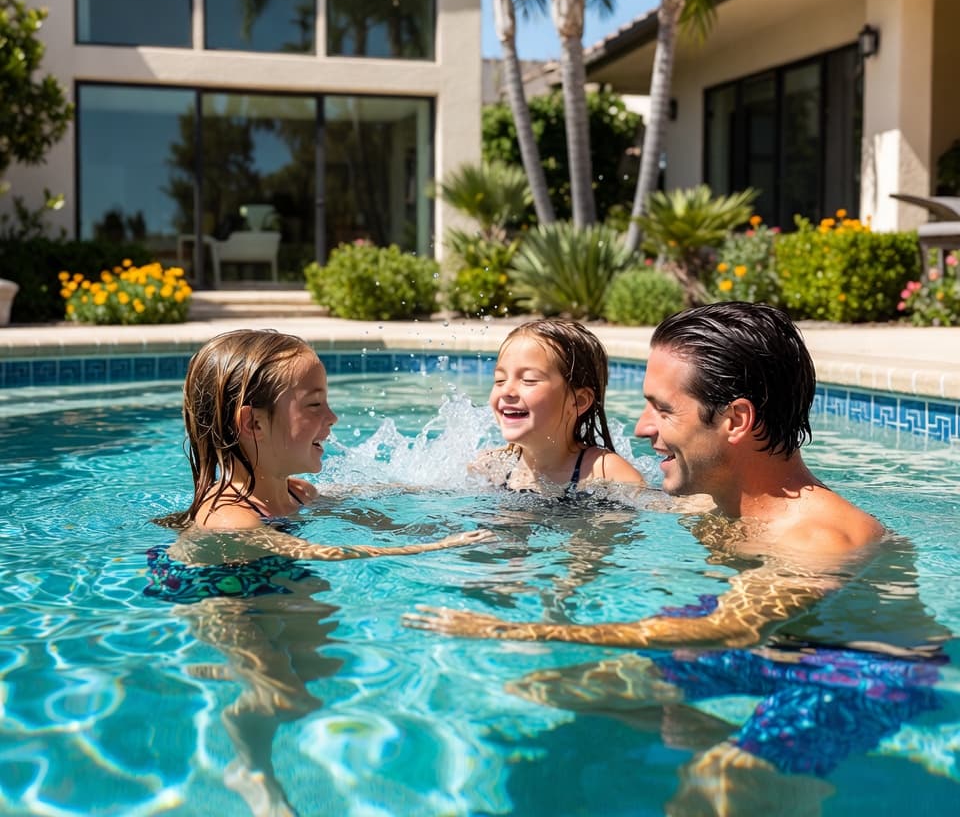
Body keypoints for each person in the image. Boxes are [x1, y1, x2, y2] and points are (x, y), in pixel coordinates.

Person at [405, 304, 948, 814]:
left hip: (856, 668)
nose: (642, 428)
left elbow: (724, 630)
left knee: (717, 782)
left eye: (662, 409)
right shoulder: (711, 503)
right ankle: (701, 731)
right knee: (557, 688)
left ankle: (778, 779)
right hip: (776, 635)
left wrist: (514, 631)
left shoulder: (819, 539)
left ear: (735, 420)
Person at [145, 328, 492, 817]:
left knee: (316, 675)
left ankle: (254, 762)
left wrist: (436, 500)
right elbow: (318, 552)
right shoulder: (228, 513)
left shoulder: (293, 491)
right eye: (313, 405)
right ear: (253, 424)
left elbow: (358, 509)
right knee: (284, 695)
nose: (331, 418)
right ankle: (248, 763)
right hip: (219, 591)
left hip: (268, 577)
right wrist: (430, 547)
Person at [471, 318, 647, 495]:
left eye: (529, 380)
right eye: (499, 380)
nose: (507, 390)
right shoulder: (491, 468)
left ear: (579, 401)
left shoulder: (607, 473)